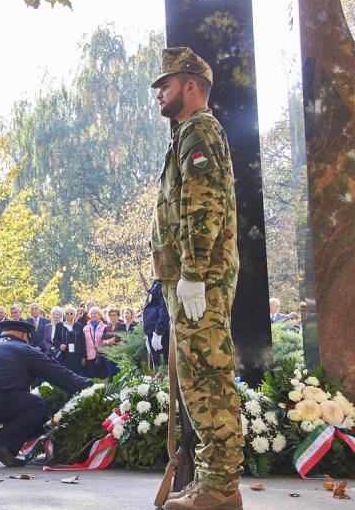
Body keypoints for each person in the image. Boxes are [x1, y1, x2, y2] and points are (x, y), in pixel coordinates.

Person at [150, 47, 243, 509]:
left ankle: (221, 487)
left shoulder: (199, 130)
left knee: (208, 379)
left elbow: (203, 206)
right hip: (192, 280)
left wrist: (193, 274)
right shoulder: (189, 132)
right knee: (199, 378)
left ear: (190, 85)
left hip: (198, 282)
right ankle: (215, 483)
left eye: (164, 85)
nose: (159, 94)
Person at [0, 320, 91, 466]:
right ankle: (1, 446)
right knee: (36, 405)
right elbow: (60, 375)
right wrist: (92, 386)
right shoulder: (25, 349)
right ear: (24, 336)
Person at [143, 280, 170, 367]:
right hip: (152, 332)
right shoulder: (155, 283)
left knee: (163, 366)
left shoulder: (162, 284)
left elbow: (164, 309)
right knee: (157, 365)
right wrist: (148, 335)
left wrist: (158, 332)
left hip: (160, 333)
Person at [54, 306, 85, 375]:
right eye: (67, 313)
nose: (69, 315)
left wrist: (84, 357)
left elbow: (83, 342)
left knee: (77, 374)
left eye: (71, 313)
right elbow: (55, 340)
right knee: (65, 374)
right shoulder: (59, 326)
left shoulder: (79, 326)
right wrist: (60, 345)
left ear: (75, 314)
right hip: (64, 355)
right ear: (65, 315)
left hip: (77, 355)